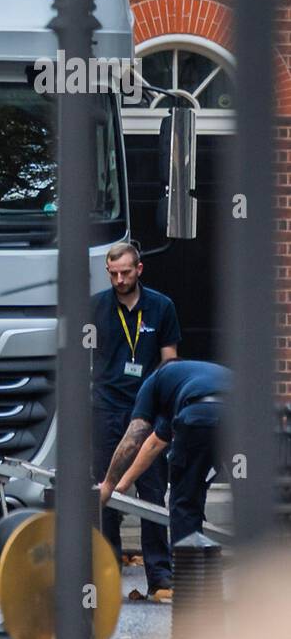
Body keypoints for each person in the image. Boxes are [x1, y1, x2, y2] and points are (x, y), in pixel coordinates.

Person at [90, 241, 180, 600]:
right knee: (105, 491)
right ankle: (106, 574)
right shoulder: (95, 307)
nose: (119, 279)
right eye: (113, 273)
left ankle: (160, 577)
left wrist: (161, 398)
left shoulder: (161, 306)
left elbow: (170, 360)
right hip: (106, 408)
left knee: (153, 492)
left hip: (149, 408)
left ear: (139, 269)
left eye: (126, 272)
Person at [99, 359, 230, 547]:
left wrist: (109, 485)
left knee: (185, 504)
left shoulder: (154, 380)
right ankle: (264, 566)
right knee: (247, 492)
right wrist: (123, 484)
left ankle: (190, 571)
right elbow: (154, 444)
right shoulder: (192, 379)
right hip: (242, 419)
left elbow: (134, 438)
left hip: (197, 418)